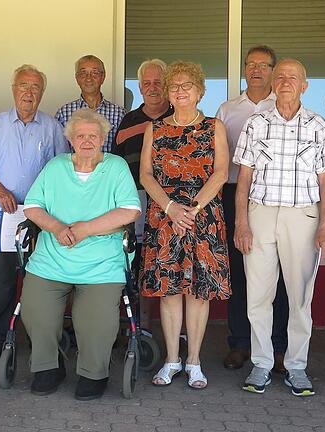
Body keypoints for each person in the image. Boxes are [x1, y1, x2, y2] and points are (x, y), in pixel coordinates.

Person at [20, 108, 141, 400]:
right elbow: (33, 206)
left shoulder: (115, 167)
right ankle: (49, 366)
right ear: (71, 139)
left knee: (96, 320)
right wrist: (57, 227)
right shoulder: (55, 167)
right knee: (35, 310)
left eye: (93, 136)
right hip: (52, 258)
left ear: (103, 138)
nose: (87, 141)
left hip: (101, 262)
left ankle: (92, 372)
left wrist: (86, 228)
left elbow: (130, 210)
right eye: (80, 136)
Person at [234, 59, 325, 396]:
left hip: (303, 217)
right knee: (258, 294)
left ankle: (296, 367)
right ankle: (261, 364)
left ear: (305, 85)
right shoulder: (255, 123)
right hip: (261, 213)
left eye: (293, 77)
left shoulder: (318, 126)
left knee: (300, 296)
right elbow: (244, 179)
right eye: (281, 76)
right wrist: (241, 222)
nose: (285, 81)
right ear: (274, 84)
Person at [140, 61, 230, 390]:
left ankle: (194, 361)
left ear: (200, 91)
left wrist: (190, 209)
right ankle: (172, 360)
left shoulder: (213, 126)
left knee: (198, 292)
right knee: (169, 291)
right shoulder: (156, 129)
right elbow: (146, 175)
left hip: (201, 216)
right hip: (165, 217)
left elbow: (221, 172)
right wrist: (170, 208)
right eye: (174, 86)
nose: (180, 91)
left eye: (187, 85)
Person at [0, 64, 68, 359]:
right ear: (13, 89)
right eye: (24, 86)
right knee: (3, 277)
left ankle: (41, 337)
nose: (29, 92)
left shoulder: (52, 127)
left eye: (35, 87)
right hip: (5, 212)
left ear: (42, 93)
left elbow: (61, 169)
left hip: (41, 215)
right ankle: (0, 338)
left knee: (42, 278)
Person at [216, 45, 289, 372]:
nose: (256, 70)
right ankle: (240, 343)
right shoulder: (228, 109)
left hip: (276, 198)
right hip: (235, 195)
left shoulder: (287, 107)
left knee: (278, 275)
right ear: (244, 69)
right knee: (239, 271)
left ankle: (276, 346)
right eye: (251, 64)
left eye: (264, 65)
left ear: (273, 70)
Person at [113, 58, 173, 334]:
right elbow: (117, 167)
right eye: (147, 83)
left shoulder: (181, 116)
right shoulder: (128, 122)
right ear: (139, 87)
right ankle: (140, 329)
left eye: (158, 82)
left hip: (173, 206)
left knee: (170, 264)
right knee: (137, 263)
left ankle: (177, 333)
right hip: (136, 203)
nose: (152, 88)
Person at [55, 55, 125, 152]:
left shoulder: (119, 113)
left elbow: (123, 150)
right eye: (83, 73)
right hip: (74, 167)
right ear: (77, 78)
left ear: (103, 77)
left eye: (95, 73)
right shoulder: (63, 113)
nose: (89, 78)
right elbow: (59, 151)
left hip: (109, 167)